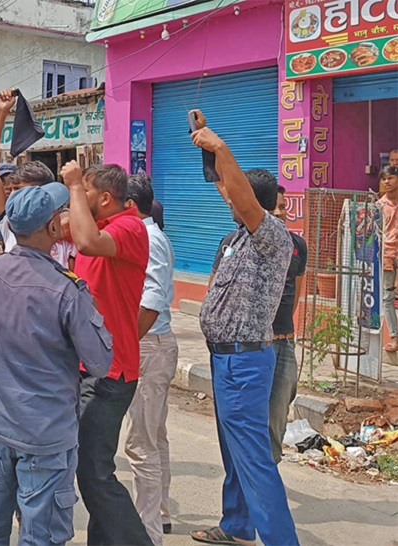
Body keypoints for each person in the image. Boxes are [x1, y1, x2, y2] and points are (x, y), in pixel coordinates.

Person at [0, 183, 114, 545]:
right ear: (52, 228)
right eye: (60, 215)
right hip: (45, 434)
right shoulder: (67, 289)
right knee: (41, 536)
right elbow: (99, 362)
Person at [188, 123, 299, 546]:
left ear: (253, 202)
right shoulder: (240, 236)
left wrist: (222, 144)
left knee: (253, 458)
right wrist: (203, 142)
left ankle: (281, 540)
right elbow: (226, 188)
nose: (227, 199)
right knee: (235, 451)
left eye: (235, 196)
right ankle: (237, 526)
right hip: (226, 358)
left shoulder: (270, 234)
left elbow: (240, 196)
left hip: (244, 361)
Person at [59, 160, 151, 546]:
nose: (77, 199)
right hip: (91, 366)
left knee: (94, 473)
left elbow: (85, 243)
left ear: (107, 198)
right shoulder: (103, 225)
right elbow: (70, 230)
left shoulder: (128, 228)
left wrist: (75, 184)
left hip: (111, 372)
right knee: (93, 469)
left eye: (86, 194)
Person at [210, 185, 307, 463]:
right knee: (246, 425)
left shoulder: (296, 246)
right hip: (249, 348)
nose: (280, 212)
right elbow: (215, 291)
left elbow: (293, 296)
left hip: (282, 344)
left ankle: (268, 473)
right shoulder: (232, 242)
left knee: (276, 417)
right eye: (275, 206)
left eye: (284, 206)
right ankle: (250, 486)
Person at [121, 175, 178, 545]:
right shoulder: (150, 235)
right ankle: (159, 513)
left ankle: (148, 533)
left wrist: (128, 341)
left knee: (140, 443)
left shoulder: (148, 238)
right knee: (154, 436)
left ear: (128, 204)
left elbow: (153, 299)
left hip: (149, 344)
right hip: (154, 344)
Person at [0, 89, 76, 267]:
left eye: (21, 191)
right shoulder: (11, 219)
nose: (13, 196)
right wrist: (0, 113)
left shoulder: (66, 232)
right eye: (13, 190)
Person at [378, 166, 398, 352]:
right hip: (388, 255)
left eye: (391, 178)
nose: (387, 182)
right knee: (387, 297)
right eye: (384, 179)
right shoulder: (380, 205)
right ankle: (395, 337)